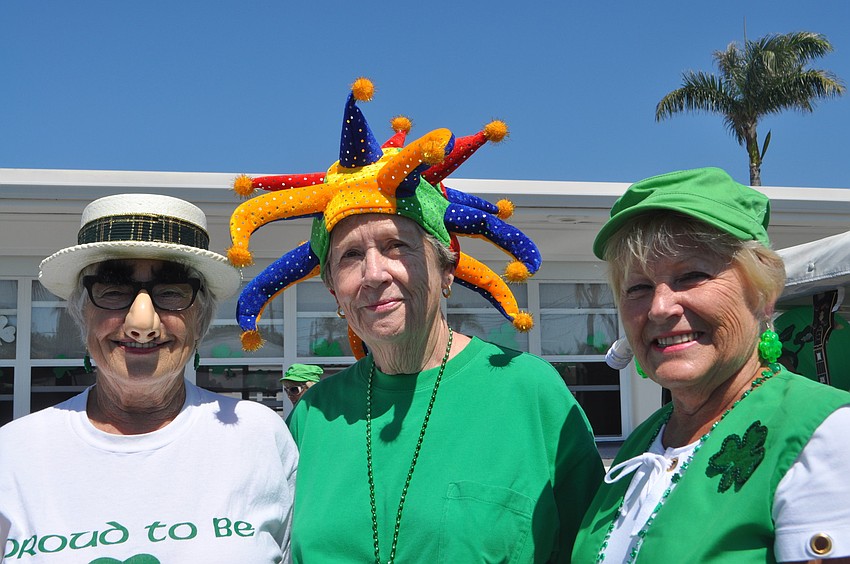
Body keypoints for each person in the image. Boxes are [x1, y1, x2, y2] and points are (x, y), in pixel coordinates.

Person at [225, 78, 604, 563]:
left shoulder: (530, 392)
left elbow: (597, 549)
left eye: (396, 246)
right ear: (334, 293)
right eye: (349, 257)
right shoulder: (311, 418)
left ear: (447, 267)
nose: (374, 274)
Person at [572, 167, 850, 563]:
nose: (660, 307)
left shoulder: (825, 435)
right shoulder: (646, 440)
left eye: (692, 276)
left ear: (763, 295)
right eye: (638, 287)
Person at [0, 194, 298, 562]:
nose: (142, 325)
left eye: (171, 293)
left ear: (200, 318)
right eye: (113, 291)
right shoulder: (12, 452)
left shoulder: (259, 437)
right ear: (81, 313)